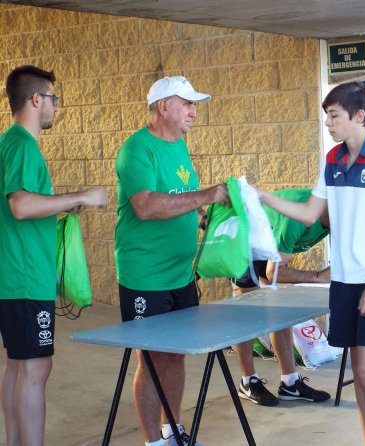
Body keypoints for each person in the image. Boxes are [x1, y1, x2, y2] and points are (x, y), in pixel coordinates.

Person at [258, 81, 365, 446]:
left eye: (334, 116)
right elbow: (310, 211)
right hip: (343, 282)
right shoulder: (332, 161)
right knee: (360, 375)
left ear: (358, 116)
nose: (328, 123)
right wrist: (263, 196)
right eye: (326, 116)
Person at [114, 76, 228, 446]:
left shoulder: (179, 146)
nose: (194, 111)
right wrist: (207, 195)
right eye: (187, 104)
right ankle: (153, 442)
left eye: (195, 104)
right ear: (163, 107)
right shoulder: (136, 149)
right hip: (146, 277)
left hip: (182, 274)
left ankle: (171, 429)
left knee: (175, 356)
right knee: (149, 361)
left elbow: (179, 197)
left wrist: (202, 217)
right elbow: (145, 206)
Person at [0, 65, 107, 446]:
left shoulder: (8, 143)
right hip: (27, 278)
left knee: (19, 365)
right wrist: (80, 196)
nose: (55, 107)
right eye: (53, 99)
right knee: (35, 368)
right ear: (35, 100)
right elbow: (21, 205)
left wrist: (60, 206)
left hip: (16, 276)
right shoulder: (23, 144)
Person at [232, 188, 331, 406]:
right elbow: (274, 272)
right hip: (243, 239)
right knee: (247, 313)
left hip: (269, 241)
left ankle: (290, 383)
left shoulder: (334, 216)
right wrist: (317, 276)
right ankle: (248, 381)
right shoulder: (296, 218)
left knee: (280, 311)